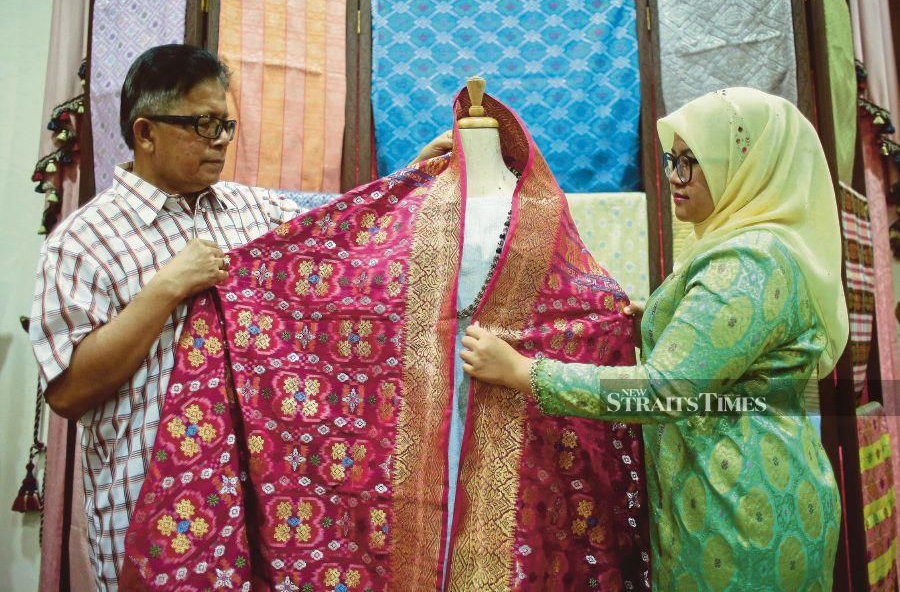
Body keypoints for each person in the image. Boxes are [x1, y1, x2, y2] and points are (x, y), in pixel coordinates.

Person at [29, 43, 447, 590]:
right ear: (145, 132)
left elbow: (346, 245)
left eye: (226, 125)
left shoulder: (257, 212)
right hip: (149, 514)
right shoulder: (82, 243)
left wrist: (414, 178)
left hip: (263, 508)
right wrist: (167, 289)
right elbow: (68, 392)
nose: (220, 141)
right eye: (203, 125)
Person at [460, 87, 848, 589]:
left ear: (746, 165)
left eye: (694, 161)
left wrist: (524, 373)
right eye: (672, 158)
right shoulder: (751, 244)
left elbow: (665, 390)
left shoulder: (746, 261)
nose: (673, 177)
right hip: (735, 485)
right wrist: (657, 320)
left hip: (740, 505)